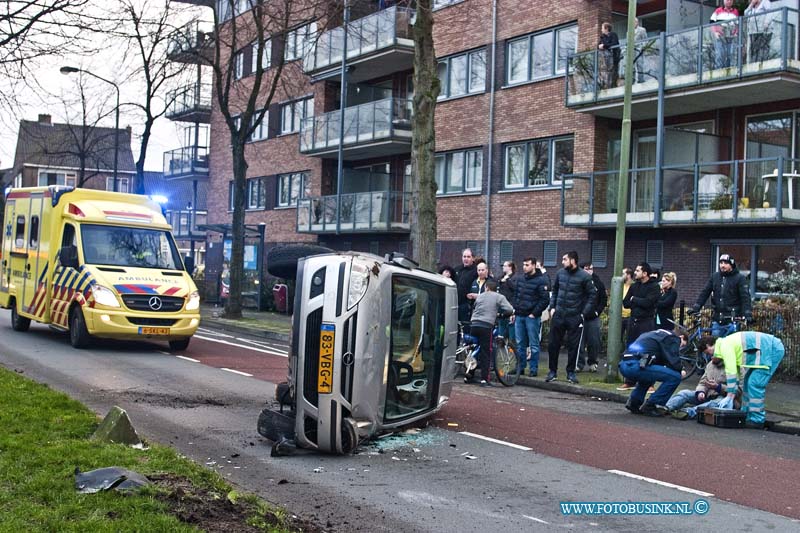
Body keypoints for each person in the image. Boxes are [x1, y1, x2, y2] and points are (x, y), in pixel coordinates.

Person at [704, 331, 785, 427]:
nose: (710, 356)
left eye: (707, 352)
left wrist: (729, 396)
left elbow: (731, 372)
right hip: (767, 350)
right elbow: (736, 373)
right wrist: (732, 393)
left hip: (771, 350)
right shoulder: (724, 344)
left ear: (709, 345)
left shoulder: (724, 347)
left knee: (754, 383)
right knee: (747, 382)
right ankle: (746, 415)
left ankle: (757, 420)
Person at [545, 251, 598, 384]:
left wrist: (583, 313)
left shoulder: (584, 276)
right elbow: (555, 290)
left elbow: (592, 296)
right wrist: (552, 307)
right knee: (553, 344)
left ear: (573, 260)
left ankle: (570, 373)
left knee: (573, 346)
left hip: (575, 316)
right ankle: (552, 371)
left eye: (565, 259)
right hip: (559, 315)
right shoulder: (560, 273)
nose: (562, 262)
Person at [618, 329, 685, 417]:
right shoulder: (672, 338)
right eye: (682, 345)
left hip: (624, 364)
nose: (679, 347)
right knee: (675, 377)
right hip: (636, 366)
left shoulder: (655, 334)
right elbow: (673, 361)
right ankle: (652, 405)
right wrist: (680, 370)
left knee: (649, 375)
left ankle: (634, 402)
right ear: (681, 337)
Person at [664, 335, 728, 418]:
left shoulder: (731, 365)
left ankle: (688, 412)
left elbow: (737, 390)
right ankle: (666, 407)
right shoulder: (710, 365)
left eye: (710, 354)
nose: (710, 357)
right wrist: (701, 392)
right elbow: (703, 382)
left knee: (715, 403)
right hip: (708, 394)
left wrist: (718, 387)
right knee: (684, 393)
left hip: (722, 397)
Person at [692, 253, 753, 337]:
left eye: (725, 263)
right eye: (721, 263)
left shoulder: (740, 278)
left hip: (732, 320)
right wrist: (696, 307)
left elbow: (745, 297)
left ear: (731, 264)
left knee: (731, 346)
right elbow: (705, 292)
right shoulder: (715, 277)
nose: (722, 265)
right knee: (716, 345)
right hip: (717, 319)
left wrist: (747, 314)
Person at [467, 280, 514, 387]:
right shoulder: (499, 297)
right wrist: (501, 314)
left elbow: (475, 307)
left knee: (473, 350)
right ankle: (484, 380)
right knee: (486, 352)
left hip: (474, 324)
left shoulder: (480, 296)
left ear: (486, 287)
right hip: (486, 326)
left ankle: (468, 375)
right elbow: (509, 309)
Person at [512, 257, 550, 377]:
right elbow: (516, 296)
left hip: (531, 317)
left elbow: (545, 299)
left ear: (533, 266)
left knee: (533, 344)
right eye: (524, 264)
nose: (524, 267)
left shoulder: (541, 280)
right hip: (520, 315)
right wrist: (515, 311)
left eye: (527, 265)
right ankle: (521, 368)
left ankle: (533, 369)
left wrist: (534, 313)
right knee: (520, 344)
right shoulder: (520, 279)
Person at [577, 261, 606, 373]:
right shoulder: (578, 282)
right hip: (580, 317)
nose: (589, 270)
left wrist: (597, 312)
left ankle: (593, 362)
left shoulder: (598, 282)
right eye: (587, 268)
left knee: (594, 341)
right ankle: (579, 364)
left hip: (593, 317)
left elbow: (603, 299)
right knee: (579, 342)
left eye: (591, 268)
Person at [623, 262, 660, 348]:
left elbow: (648, 303)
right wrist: (638, 302)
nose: (635, 272)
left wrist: (634, 299)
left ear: (645, 273)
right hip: (633, 322)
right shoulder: (634, 286)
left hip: (646, 323)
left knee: (644, 347)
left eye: (637, 270)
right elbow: (625, 303)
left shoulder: (654, 286)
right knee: (630, 346)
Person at [710, 0, 740, 69]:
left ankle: (729, 70)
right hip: (721, 37)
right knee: (720, 55)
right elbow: (711, 23)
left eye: (730, 0)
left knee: (730, 55)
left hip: (731, 37)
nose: (729, 1)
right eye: (727, 0)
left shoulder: (735, 12)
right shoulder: (718, 11)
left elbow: (737, 24)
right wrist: (715, 33)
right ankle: (718, 71)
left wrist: (736, 33)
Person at [497, 260, 518, 343]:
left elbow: (515, 289)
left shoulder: (515, 278)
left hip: (510, 305)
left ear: (510, 267)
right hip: (501, 305)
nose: (503, 267)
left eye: (505, 266)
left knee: (511, 326)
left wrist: (508, 280)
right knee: (501, 325)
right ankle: (501, 342)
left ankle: (511, 344)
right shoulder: (501, 277)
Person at [454, 248, 478, 323]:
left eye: (468, 257)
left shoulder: (476, 271)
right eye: (464, 256)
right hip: (455, 304)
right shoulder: (457, 269)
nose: (466, 259)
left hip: (467, 305)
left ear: (473, 258)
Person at [598, 22, 620, 89]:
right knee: (606, 73)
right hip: (605, 59)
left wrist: (604, 46)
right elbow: (598, 46)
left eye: (602, 28)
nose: (601, 30)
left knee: (613, 72)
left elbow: (614, 44)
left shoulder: (613, 35)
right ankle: (607, 86)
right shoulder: (602, 37)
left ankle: (613, 86)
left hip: (614, 58)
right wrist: (601, 46)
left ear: (606, 28)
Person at [633, 17, 649, 83]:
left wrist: (642, 47)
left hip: (639, 49)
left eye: (634, 22)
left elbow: (645, 40)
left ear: (637, 22)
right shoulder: (629, 31)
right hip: (632, 50)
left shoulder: (642, 30)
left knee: (640, 64)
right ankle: (632, 80)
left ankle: (641, 80)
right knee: (632, 66)